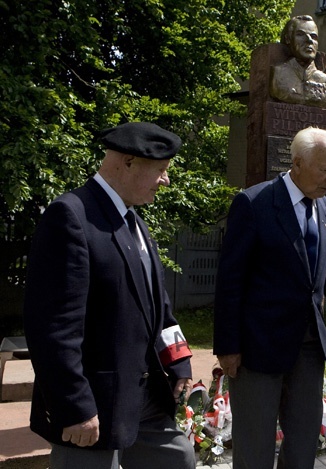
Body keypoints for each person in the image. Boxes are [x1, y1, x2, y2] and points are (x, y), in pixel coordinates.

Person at [214, 126, 326, 469]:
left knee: (302, 444)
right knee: (255, 445)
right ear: (297, 163)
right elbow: (229, 283)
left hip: (308, 349)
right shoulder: (254, 204)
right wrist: (228, 347)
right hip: (257, 350)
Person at [23, 122, 196, 469]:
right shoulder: (71, 216)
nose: (166, 181)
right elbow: (53, 329)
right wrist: (75, 407)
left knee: (178, 459)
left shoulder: (135, 221)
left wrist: (179, 361)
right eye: (161, 170)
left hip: (144, 397)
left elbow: (157, 306)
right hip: (94, 406)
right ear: (129, 162)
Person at [270, 15, 326, 109]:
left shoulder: (325, 81)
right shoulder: (278, 74)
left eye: (314, 36)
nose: (309, 40)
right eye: (301, 34)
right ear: (288, 39)